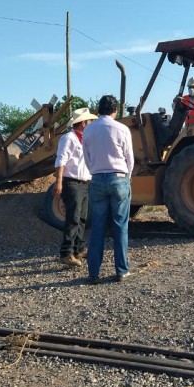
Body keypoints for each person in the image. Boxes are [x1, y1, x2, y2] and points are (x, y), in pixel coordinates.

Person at [82, 95, 135, 284]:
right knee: (120, 226)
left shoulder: (88, 130)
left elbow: (86, 157)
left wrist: (95, 172)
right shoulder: (122, 128)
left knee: (97, 227)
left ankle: (93, 273)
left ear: (98, 110)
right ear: (115, 111)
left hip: (96, 179)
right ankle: (121, 270)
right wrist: (126, 178)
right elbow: (130, 157)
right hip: (118, 178)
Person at [53, 107, 97, 267]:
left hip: (83, 182)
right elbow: (61, 159)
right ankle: (66, 253)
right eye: (89, 120)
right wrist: (58, 181)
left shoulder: (82, 139)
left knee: (82, 217)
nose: (91, 122)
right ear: (83, 122)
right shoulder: (69, 138)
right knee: (73, 217)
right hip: (71, 182)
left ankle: (78, 248)